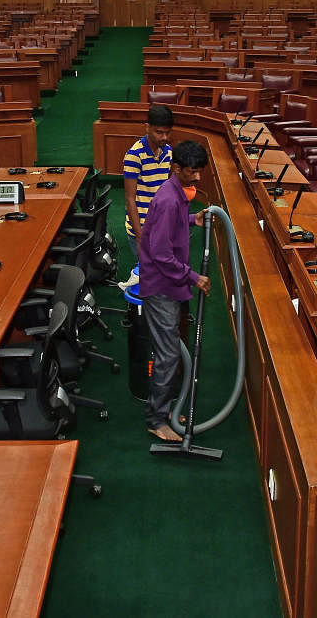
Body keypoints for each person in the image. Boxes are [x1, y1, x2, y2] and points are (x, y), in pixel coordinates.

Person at [138, 140, 212, 441]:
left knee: (171, 350)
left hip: (170, 284)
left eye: (200, 173)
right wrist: (194, 276)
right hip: (161, 287)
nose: (197, 179)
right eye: (191, 173)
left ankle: (168, 406)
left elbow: (172, 229)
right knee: (168, 355)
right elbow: (160, 254)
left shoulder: (177, 195)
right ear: (176, 168)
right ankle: (155, 420)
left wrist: (193, 219)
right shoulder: (168, 200)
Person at [120, 104, 174, 289]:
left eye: (168, 132)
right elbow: (129, 199)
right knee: (153, 278)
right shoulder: (134, 156)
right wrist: (140, 236)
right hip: (141, 228)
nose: (164, 137)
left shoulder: (168, 152)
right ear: (147, 127)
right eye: (159, 132)